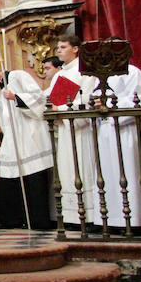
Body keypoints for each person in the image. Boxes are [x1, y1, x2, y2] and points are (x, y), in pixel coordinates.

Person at [0, 59, 53, 229]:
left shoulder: (18, 76)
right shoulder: (0, 91)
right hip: (13, 136)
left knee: (33, 176)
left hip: (29, 135)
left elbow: (39, 99)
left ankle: (38, 220)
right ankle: (16, 218)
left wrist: (16, 97)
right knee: (11, 175)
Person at [94, 63, 141, 229]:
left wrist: (109, 104)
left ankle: (137, 220)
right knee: (108, 175)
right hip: (104, 130)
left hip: (126, 129)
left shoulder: (133, 72)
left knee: (131, 172)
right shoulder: (101, 76)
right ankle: (113, 220)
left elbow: (139, 101)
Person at [46, 34, 98, 226]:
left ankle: (89, 216)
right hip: (64, 128)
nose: (58, 51)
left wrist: (60, 108)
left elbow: (86, 101)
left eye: (63, 47)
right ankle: (71, 217)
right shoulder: (59, 75)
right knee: (67, 170)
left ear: (75, 49)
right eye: (58, 47)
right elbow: (51, 99)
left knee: (82, 168)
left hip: (80, 129)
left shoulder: (84, 72)